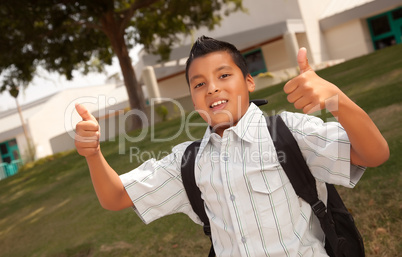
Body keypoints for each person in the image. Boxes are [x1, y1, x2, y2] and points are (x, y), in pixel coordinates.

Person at [74, 36, 389, 256]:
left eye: (224, 75)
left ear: (249, 82)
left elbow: (373, 154)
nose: (212, 88)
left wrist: (337, 100)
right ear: (193, 97)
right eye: (199, 84)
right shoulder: (187, 162)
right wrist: (93, 154)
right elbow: (115, 196)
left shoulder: (289, 132)